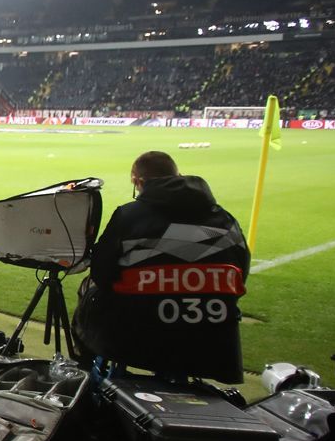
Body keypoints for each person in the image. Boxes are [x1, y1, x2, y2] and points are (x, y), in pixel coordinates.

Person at [73, 150, 250, 382]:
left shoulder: (129, 216)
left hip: (136, 332)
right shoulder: (225, 219)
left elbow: (102, 272)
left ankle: (83, 370)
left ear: (138, 182)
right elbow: (241, 271)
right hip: (213, 333)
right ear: (178, 175)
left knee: (88, 288)